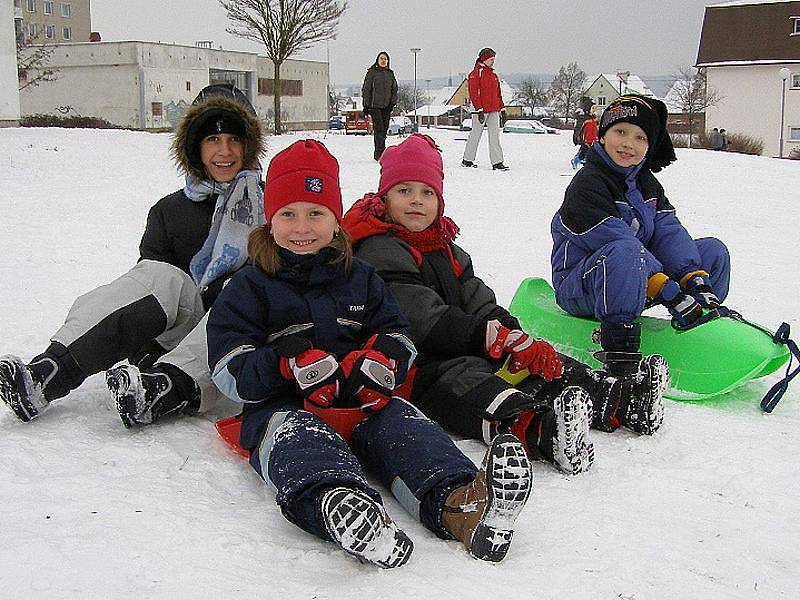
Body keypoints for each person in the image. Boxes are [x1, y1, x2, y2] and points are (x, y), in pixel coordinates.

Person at [206, 139, 533, 568]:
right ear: (269, 221)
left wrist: (383, 359)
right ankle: (344, 509)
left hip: (364, 401)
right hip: (284, 407)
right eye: (288, 214)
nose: (302, 227)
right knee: (299, 447)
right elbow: (228, 369)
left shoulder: (360, 276)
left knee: (411, 432)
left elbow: (399, 332)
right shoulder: (249, 287)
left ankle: (463, 505)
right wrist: (283, 363)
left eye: (316, 213)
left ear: (336, 222)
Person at [342, 136, 668, 486]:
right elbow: (418, 315)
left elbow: (477, 297)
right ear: (384, 198)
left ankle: (619, 400)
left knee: (533, 362)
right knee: (469, 382)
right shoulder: (378, 248)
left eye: (427, 193)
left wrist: (511, 333)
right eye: (404, 191)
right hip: (418, 366)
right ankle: (543, 430)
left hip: (467, 342)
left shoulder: (449, 251)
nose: (416, 202)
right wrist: (485, 337)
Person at [0, 83, 266, 428]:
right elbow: (146, 293)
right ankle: (48, 374)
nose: (224, 151)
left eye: (234, 139)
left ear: (249, 145)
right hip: (181, 331)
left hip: (241, 343)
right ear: (194, 147)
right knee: (160, 274)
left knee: (242, 286)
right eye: (213, 140)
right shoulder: (169, 210)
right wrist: (146, 353)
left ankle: (165, 389)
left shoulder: (276, 208)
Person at [551, 94, 729, 397]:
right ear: (603, 134)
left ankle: (701, 319)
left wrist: (694, 281)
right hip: (584, 285)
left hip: (635, 276)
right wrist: (668, 290)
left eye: (640, 137)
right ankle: (619, 354)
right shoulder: (587, 184)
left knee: (712, 251)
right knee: (626, 249)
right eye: (620, 132)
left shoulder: (646, 184)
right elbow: (615, 240)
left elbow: (668, 233)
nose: (628, 144)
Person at [461, 48, 508, 171]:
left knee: (494, 136)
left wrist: (502, 108)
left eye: (494, 59)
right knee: (475, 134)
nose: (493, 62)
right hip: (480, 110)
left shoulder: (494, 75)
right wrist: (479, 109)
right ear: (484, 59)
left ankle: (497, 162)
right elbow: (474, 93)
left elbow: (498, 93)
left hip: (494, 109)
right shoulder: (476, 73)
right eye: (491, 59)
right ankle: (468, 159)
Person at [362, 51, 398, 161]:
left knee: (384, 130)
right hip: (374, 106)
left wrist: (392, 103)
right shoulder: (372, 73)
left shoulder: (390, 74)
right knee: (379, 130)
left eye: (385, 59)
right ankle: (379, 153)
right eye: (382, 58)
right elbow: (366, 89)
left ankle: (382, 150)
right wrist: (366, 105)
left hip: (386, 106)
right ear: (378, 60)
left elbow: (394, 89)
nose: (383, 61)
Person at [572, 103, 598, 169]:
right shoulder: (584, 118)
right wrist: (578, 138)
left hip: (592, 138)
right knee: (585, 151)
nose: (594, 110)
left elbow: (594, 128)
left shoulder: (592, 118)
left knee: (586, 151)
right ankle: (576, 160)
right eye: (593, 108)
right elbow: (579, 129)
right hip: (586, 139)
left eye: (595, 108)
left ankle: (584, 161)